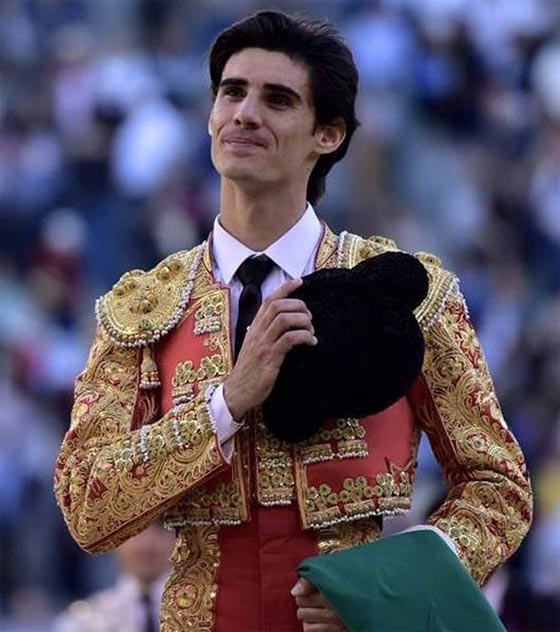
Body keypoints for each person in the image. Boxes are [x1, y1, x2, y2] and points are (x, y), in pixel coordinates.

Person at [54, 10, 533, 632]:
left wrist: (383, 592)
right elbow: (86, 506)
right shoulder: (142, 309)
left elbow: (499, 486)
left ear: (328, 134)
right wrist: (227, 402)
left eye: (277, 100)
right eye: (232, 93)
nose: (245, 114)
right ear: (210, 117)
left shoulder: (410, 295)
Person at [54, 524, 174, 632]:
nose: (146, 543)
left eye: (162, 528)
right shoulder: (82, 623)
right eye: (136, 529)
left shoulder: (186, 615)